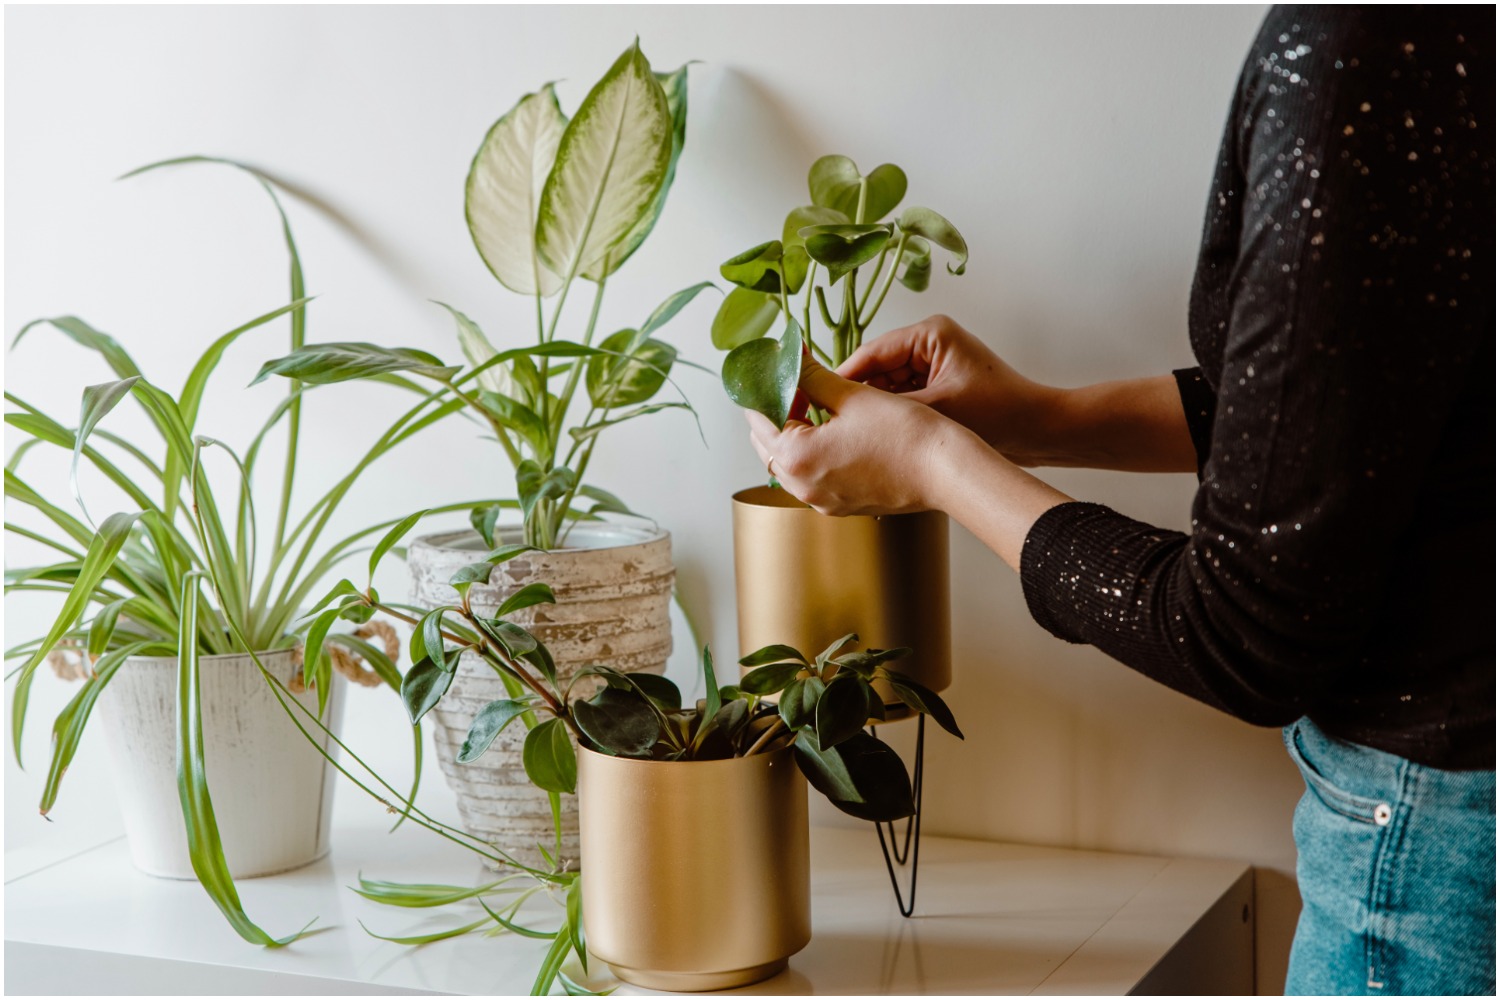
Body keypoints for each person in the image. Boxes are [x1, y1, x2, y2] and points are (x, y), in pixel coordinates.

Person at [746, 7, 1493, 995]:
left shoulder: (1369, 49)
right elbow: (1366, 416)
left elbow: (1246, 632)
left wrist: (938, 466)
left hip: (1436, 856)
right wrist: (1037, 418)